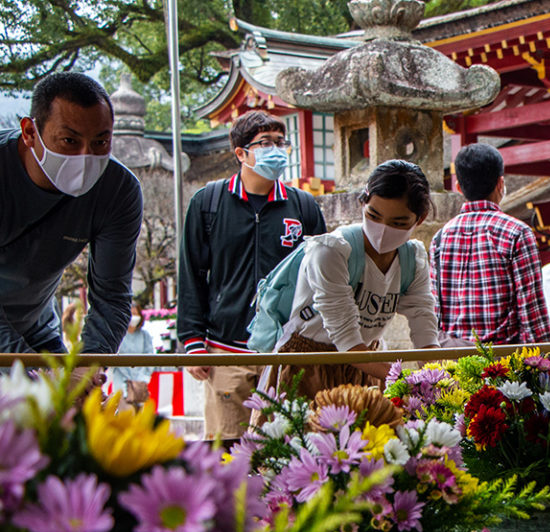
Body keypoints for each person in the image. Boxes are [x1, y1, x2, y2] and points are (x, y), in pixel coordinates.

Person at [177, 110, 327, 440]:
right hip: (226, 351)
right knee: (228, 453)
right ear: (241, 153)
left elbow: (323, 278)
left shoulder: (303, 207)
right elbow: (192, 274)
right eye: (265, 143)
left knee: (289, 451)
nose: (276, 150)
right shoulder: (209, 203)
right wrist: (191, 342)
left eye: (280, 142)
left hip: (288, 353)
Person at [261, 159, 439, 401]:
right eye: (374, 215)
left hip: (371, 368)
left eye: (399, 223)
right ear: (362, 203)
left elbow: (424, 327)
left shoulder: (413, 258)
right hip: (310, 366)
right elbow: (348, 342)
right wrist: (406, 382)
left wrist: (435, 380)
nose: (383, 229)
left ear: (420, 218)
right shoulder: (332, 252)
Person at [0, 72, 142, 372]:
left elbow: (112, 297)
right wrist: (39, 379)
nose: (85, 156)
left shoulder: (118, 191)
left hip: (35, 328)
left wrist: (86, 370)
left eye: (101, 142)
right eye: (69, 141)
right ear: (29, 132)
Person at [431, 143, 550, 345]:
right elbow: (532, 309)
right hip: (502, 360)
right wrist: (545, 363)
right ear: (500, 184)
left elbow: (435, 308)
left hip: (452, 361)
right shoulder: (517, 232)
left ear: (459, 187)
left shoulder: (440, 237)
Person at [109, 302, 155, 407]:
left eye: (136, 314)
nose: (133, 317)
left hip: (140, 384)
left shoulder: (144, 335)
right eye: (131, 314)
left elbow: (150, 357)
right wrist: (127, 376)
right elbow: (115, 358)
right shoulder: (118, 335)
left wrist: (143, 376)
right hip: (121, 383)